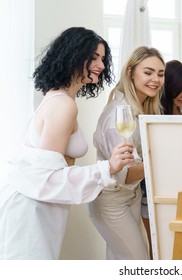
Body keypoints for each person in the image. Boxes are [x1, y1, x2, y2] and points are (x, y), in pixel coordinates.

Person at [0, 27, 133, 260]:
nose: (101, 65)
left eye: (102, 58)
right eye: (93, 58)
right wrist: (108, 167)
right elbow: (48, 178)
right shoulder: (63, 104)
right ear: (72, 56)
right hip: (32, 210)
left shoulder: (60, 97)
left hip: (39, 205)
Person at [89, 46, 165, 259]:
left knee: (119, 261)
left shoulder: (140, 107)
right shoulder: (118, 115)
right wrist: (161, 157)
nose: (156, 79)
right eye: (148, 72)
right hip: (112, 200)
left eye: (160, 74)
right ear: (131, 72)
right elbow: (125, 175)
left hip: (131, 196)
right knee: (138, 263)